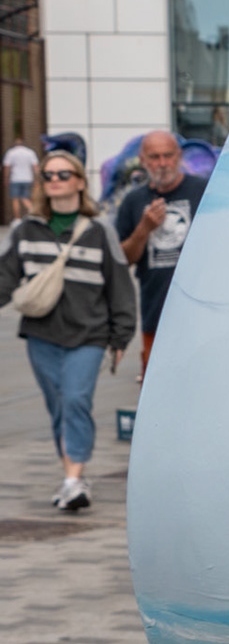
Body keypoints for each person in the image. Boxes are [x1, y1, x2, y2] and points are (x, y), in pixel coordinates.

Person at [0, 151, 137, 512]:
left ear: (78, 181)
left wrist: (121, 335)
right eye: (48, 175)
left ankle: (75, 479)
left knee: (76, 399)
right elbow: (5, 279)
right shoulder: (25, 230)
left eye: (63, 174)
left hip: (89, 335)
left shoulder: (99, 231)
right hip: (41, 336)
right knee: (59, 406)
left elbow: (120, 286)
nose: (55, 180)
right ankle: (71, 478)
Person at [116, 131, 208, 382]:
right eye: (155, 157)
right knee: (156, 386)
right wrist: (143, 229)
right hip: (156, 314)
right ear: (143, 161)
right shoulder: (133, 201)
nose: (163, 163)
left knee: (202, 384)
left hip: (202, 315)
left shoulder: (204, 192)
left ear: (179, 156)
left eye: (168, 155)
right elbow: (123, 260)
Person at [2, 133, 38, 220]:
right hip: (28, 178)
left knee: (15, 199)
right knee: (25, 197)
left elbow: (7, 167)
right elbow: (35, 167)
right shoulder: (30, 152)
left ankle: (17, 218)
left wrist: (6, 178)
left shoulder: (11, 152)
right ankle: (34, 212)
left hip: (15, 178)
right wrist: (37, 178)